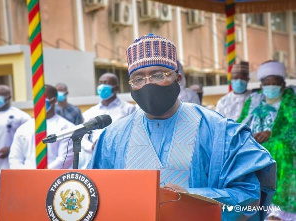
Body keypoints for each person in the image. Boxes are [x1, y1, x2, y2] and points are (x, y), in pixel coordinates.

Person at [88, 34, 276, 220]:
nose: (148, 84)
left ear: (178, 79)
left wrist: (192, 197)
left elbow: (249, 195)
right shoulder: (113, 137)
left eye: (158, 75)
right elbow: (95, 196)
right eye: (138, 79)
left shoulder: (218, 130)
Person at [238, 61, 296, 220]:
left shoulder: (290, 100)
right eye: (267, 83)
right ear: (262, 85)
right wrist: (249, 136)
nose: (271, 87)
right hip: (255, 143)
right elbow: (241, 122)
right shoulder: (255, 100)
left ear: (283, 84)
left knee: (280, 149)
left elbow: (293, 126)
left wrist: (272, 134)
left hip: (282, 145)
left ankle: (278, 211)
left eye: (275, 83)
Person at [9, 85, 74, 169]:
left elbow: (65, 159)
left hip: (54, 178)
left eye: (41, 98)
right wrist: (26, 174)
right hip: (25, 178)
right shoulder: (24, 128)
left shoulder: (66, 127)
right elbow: (15, 158)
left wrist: (41, 174)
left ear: (53, 100)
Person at [0, 84, 30, 218]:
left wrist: (11, 149)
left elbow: (27, 140)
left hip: (9, 167)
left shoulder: (21, 117)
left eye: (1, 94)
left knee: (8, 199)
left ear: (9, 97)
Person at [83, 72, 136, 143]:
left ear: (117, 88)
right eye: (100, 83)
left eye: (106, 83)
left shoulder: (129, 109)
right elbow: (83, 137)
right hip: (95, 151)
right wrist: (91, 147)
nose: (102, 86)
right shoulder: (90, 112)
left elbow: (133, 134)